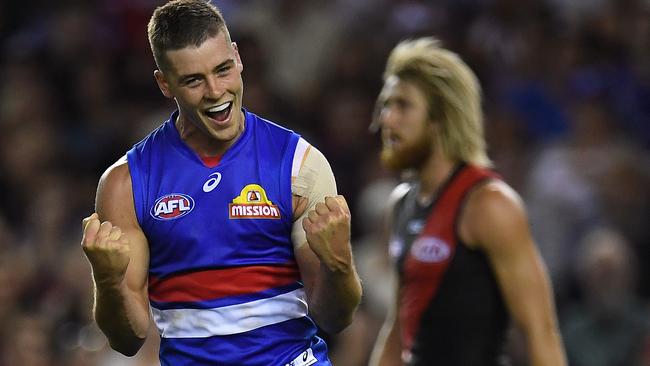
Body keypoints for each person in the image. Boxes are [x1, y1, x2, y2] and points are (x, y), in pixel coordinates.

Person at [79, 1, 362, 365]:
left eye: (223, 70)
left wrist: (339, 265)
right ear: (164, 83)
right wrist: (107, 281)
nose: (215, 92)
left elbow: (333, 318)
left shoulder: (299, 165)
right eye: (194, 80)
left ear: (237, 57)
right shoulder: (127, 182)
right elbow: (128, 338)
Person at [368, 37, 566, 366]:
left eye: (403, 105)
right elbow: (398, 327)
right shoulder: (401, 204)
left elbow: (539, 331)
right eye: (386, 105)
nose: (386, 119)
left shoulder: (489, 204)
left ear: (441, 118)